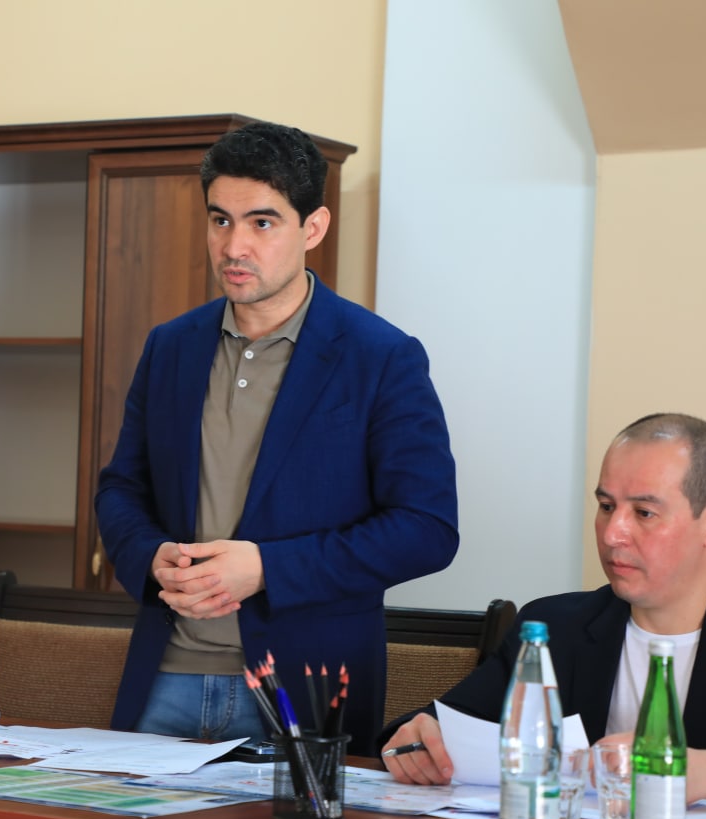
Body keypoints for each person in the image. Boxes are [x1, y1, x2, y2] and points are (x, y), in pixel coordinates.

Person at [95, 121, 459, 755]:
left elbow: (426, 529)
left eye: (262, 222)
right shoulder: (170, 347)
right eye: (220, 220)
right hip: (164, 677)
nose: (234, 245)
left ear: (312, 228)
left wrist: (267, 568)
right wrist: (150, 556)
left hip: (303, 686)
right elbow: (122, 488)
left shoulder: (382, 357)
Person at [379, 413, 706, 817]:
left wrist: (701, 773)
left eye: (644, 512)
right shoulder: (555, 629)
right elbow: (434, 726)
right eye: (606, 506)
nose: (612, 534)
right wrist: (415, 740)